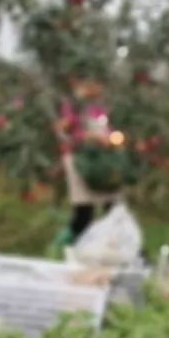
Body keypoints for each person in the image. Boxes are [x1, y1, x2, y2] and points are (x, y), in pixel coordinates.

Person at [57, 80, 122, 241]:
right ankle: (71, 244)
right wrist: (90, 137)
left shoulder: (98, 107)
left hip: (101, 162)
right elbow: (66, 133)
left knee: (112, 204)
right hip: (81, 162)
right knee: (84, 209)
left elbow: (107, 129)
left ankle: (123, 248)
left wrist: (111, 138)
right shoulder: (72, 107)